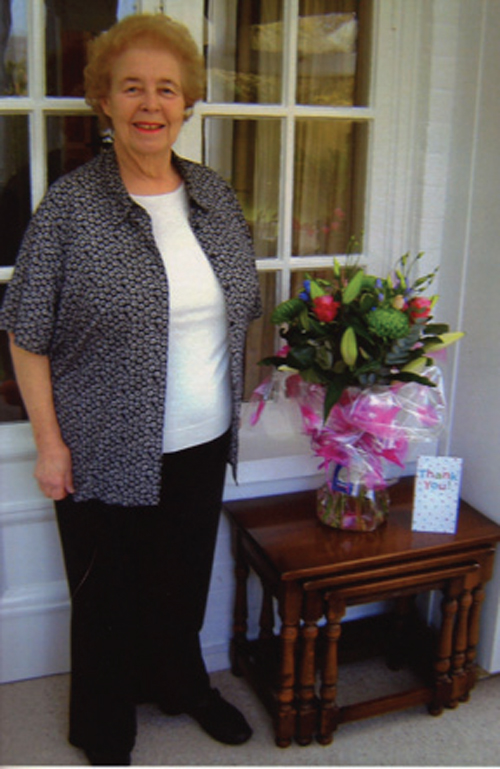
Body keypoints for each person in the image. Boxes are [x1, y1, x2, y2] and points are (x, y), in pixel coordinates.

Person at [0, 13, 262, 766]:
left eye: (167, 89)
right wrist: (50, 445)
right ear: (105, 102)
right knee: (107, 597)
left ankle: (184, 685)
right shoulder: (72, 207)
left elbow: (227, 308)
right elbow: (26, 330)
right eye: (133, 88)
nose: (151, 104)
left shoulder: (213, 194)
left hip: (201, 435)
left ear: (187, 104)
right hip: (102, 441)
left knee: (180, 582)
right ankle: (105, 724)